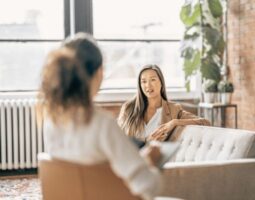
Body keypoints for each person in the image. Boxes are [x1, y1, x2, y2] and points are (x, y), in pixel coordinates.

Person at [39, 33, 161, 200]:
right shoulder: (103, 124)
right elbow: (148, 187)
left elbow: (86, 172)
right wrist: (150, 163)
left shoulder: (51, 120)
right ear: (99, 73)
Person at [118, 64, 210, 142]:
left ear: (161, 82)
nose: (148, 85)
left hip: (160, 161)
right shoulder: (128, 108)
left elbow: (205, 123)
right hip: (133, 160)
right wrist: (147, 141)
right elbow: (118, 141)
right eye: (144, 81)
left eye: (153, 79)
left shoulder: (173, 109)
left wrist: (174, 122)